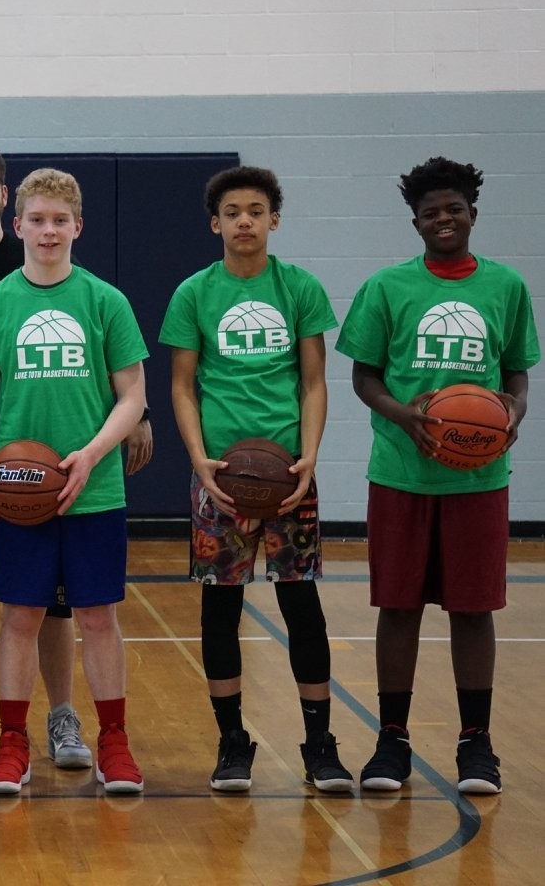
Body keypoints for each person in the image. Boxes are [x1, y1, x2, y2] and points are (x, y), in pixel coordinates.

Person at [0, 140, 153, 771]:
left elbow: (132, 397)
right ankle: (12, 744)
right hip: (18, 486)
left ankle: (115, 742)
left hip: (93, 488)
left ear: (78, 226)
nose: (49, 231)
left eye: (60, 220)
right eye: (38, 220)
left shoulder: (106, 301)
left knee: (95, 617)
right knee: (18, 616)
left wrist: (91, 453)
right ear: (17, 225)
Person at [335, 157, 537, 796]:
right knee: (398, 606)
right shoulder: (386, 287)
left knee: (473, 610)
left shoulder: (506, 286)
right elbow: (364, 375)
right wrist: (404, 415)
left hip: (479, 480)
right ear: (415, 223)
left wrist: (513, 411)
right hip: (401, 473)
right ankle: (391, 739)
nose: (443, 219)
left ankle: (476, 742)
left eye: (453, 210)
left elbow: (516, 371)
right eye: (430, 213)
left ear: (473, 214)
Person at [159, 167, 352, 794]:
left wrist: (310, 456)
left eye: (256, 210)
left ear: (274, 219)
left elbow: (314, 382)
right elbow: (182, 386)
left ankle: (319, 744)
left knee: (302, 605)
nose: (244, 220)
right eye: (232, 212)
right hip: (221, 475)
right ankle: (232, 742)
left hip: (288, 472)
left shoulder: (299, 288)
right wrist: (199, 460)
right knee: (221, 608)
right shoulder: (194, 292)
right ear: (214, 223)